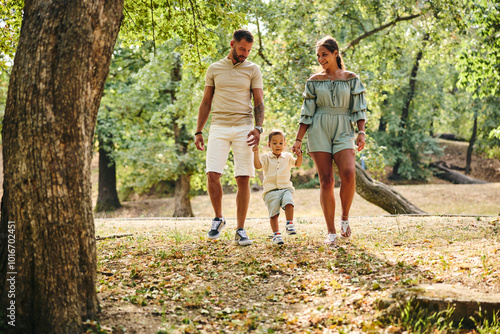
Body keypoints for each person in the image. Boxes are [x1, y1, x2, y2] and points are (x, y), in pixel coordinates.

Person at [291, 36, 367, 247]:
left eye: (324, 54)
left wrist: (361, 132)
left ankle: (344, 219)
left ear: (335, 53)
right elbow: (306, 113)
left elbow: (359, 108)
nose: (321, 59)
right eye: (318, 56)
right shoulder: (314, 80)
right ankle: (331, 232)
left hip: (344, 128)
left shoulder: (351, 78)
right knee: (326, 180)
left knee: (349, 173)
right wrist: (298, 139)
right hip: (319, 129)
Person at [195, 29, 265, 246]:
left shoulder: (253, 69)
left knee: (243, 177)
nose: (245, 53)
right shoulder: (215, 68)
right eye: (242, 49)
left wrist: (259, 128)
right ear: (233, 44)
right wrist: (199, 130)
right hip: (219, 127)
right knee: (212, 174)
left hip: (244, 126)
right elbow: (206, 102)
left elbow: (259, 103)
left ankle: (241, 229)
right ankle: (218, 218)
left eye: (249, 50)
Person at [253, 129, 303, 245]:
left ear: (285, 144)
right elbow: (258, 166)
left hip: (286, 188)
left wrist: (299, 155)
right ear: (269, 145)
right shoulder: (266, 157)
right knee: (274, 213)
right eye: (274, 143)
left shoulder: (288, 156)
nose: (278, 145)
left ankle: (289, 223)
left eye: (281, 143)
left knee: (289, 202)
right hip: (271, 190)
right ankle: (276, 235)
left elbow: (297, 164)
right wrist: (255, 153)